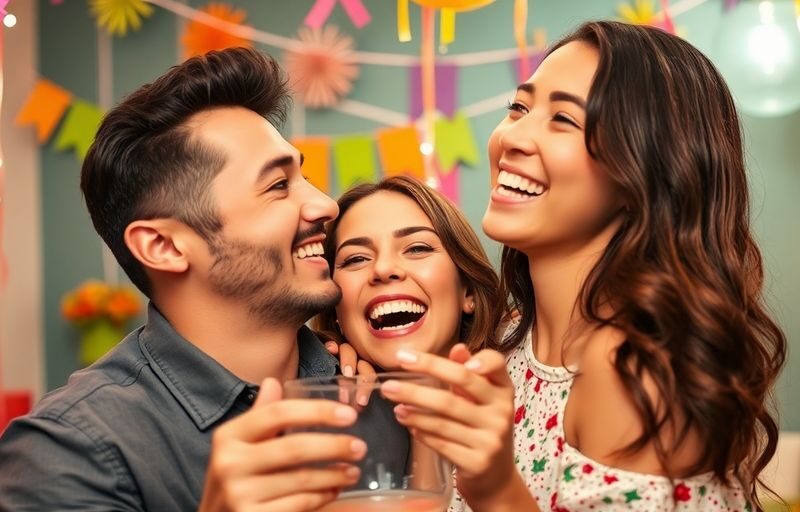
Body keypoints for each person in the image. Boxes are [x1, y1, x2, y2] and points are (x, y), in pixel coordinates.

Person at [380, 20, 787, 512]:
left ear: (644, 169)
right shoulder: (508, 345)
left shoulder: (638, 368)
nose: (514, 137)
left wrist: (495, 490)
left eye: (564, 120)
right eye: (519, 108)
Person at [0, 47, 370, 511]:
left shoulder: (366, 384)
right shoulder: (67, 453)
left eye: (305, 177)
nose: (325, 205)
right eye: (278, 186)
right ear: (165, 247)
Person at [314, 176, 503, 375]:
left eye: (417, 249)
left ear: (468, 291)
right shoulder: (314, 393)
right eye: (357, 259)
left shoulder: (522, 389)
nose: (383, 268)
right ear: (335, 310)